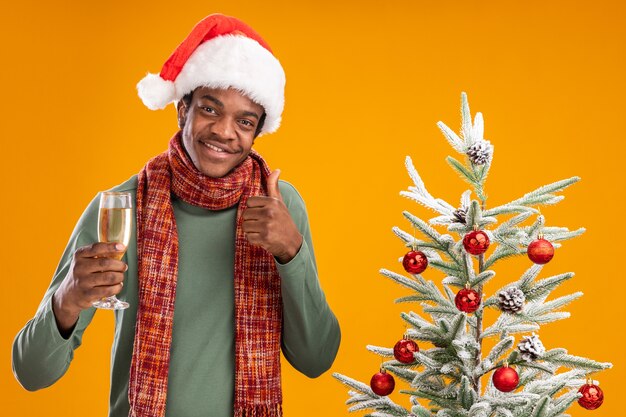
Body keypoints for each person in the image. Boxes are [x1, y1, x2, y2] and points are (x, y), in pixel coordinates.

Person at [12, 13, 341, 417]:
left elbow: (316, 360)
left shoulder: (279, 207)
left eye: (244, 121)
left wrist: (292, 251)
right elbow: (31, 373)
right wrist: (66, 299)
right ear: (182, 110)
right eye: (209, 109)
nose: (224, 131)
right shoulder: (120, 207)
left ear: (257, 133)